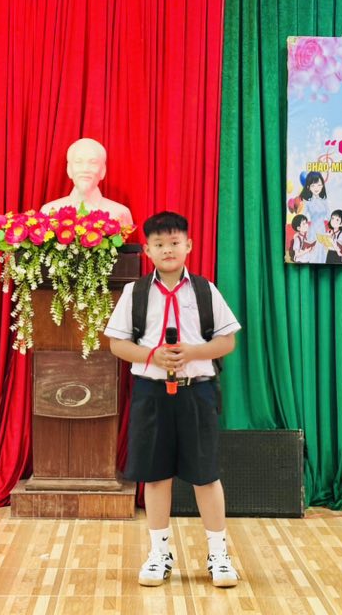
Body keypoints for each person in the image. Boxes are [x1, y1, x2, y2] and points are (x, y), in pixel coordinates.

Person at [104, 211, 241, 589]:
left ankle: (218, 554)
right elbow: (117, 344)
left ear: (189, 246)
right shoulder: (135, 293)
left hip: (197, 392)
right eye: (159, 244)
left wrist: (193, 352)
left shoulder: (205, 290)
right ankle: (159, 553)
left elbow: (227, 341)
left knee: (206, 475)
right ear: (147, 250)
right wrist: (153, 356)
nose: (168, 250)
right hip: (151, 394)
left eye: (175, 243)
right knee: (155, 475)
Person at [40, 138, 133, 225]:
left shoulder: (120, 213)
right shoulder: (48, 211)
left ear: (103, 170)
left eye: (93, 162)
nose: (85, 169)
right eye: (78, 162)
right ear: (69, 169)